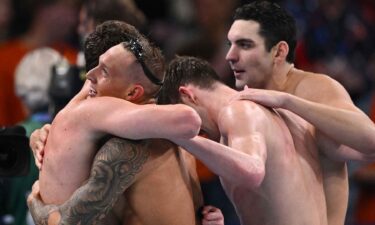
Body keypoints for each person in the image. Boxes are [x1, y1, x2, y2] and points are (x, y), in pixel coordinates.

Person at [26, 20, 204, 225]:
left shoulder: (128, 146)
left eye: (104, 71)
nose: (89, 78)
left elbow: (67, 223)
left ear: (133, 92)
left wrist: (36, 201)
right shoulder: (182, 145)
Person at [225, 2, 375, 224]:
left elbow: (371, 139)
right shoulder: (246, 105)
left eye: (245, 45)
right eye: (230, 44)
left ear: (279, 51)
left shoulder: (313, 88)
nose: (230, 55)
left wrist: (287, 102)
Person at [157, 56, 331, 225]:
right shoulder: (279, 112)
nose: (195, 130)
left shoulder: (237, 111)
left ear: (188, 95)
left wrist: (179, 135)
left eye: (184, 118)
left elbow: (251, 171)